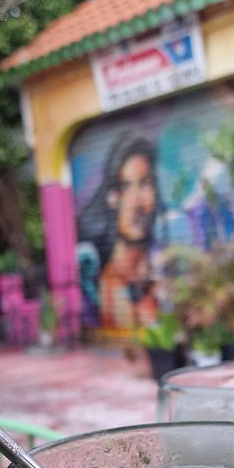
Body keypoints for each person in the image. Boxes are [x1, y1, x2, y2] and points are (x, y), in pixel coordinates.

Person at [78, 134, 160, 329]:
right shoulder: (110, 287)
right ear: (112, 198)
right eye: (125, 187)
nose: (137, 202)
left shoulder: (162, 265)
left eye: (145, 184)